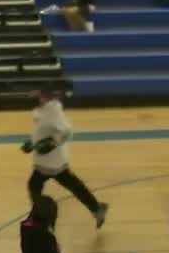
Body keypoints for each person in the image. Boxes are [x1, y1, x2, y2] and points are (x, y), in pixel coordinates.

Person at [22, 89, 109, 228]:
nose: (32, 94)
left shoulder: (53, 111)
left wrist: (53, 143)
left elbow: (67, 131)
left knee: (35, 186)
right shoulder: (42, 109)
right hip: (46, 160)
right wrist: (31, 143)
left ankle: (40, 219)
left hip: (51, 161)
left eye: (36, 92)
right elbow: (41, 131)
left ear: (44, 95)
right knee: (72, 184)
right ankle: (96, 208)